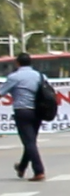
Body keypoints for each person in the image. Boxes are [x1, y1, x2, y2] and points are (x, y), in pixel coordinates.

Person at [0, 52, 45, 181]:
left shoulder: (14, 77)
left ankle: (39, 171)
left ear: (17, 63)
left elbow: (2, 93)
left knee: (29, 142)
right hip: (38, 111)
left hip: (22, 111)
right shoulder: (40, 76)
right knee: (31, 141)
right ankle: (22, 167)